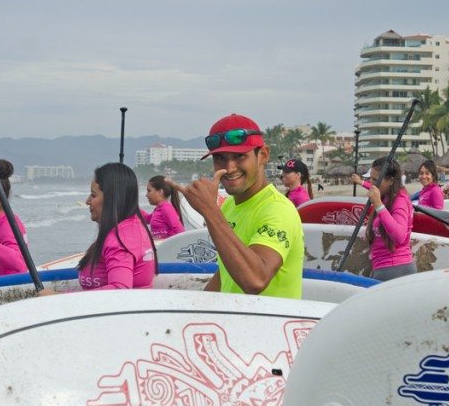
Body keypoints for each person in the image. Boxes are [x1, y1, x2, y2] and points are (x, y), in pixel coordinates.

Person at [174, 113, 303, 299]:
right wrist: (195, 309)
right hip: (232, 323)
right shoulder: (228, 207)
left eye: (240, 156)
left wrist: (210, 210)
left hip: (269, 325)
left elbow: (256, 280)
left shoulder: (278, 209)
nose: (230, 167)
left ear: (263, 156)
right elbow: (227, 271)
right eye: (220, 159)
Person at [77, 163, 157, 290]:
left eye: (93, 194)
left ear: (111, 198)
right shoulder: (130, 226)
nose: (87, 201)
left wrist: (59, 298)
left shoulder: (121, 239)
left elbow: (120, 289)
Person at [350, 157, 415, 280]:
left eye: (375, 179)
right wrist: (360, 182)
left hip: (395, 268)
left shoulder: (399, 201)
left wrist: (378, 205)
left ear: (390, 181)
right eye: (370, 178)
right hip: (384, 266)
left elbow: (400, 236)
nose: (371, 182)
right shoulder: (385, 196)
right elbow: (373, 187)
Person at [141, 175, 185, 239]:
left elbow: (180, 231)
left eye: (149, 191)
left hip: (167, 247)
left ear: (160, 192)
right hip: (161, 247)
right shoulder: (159, 209)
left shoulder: (166, 208)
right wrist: (134, 208)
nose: (146, 195)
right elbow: (147, 219)